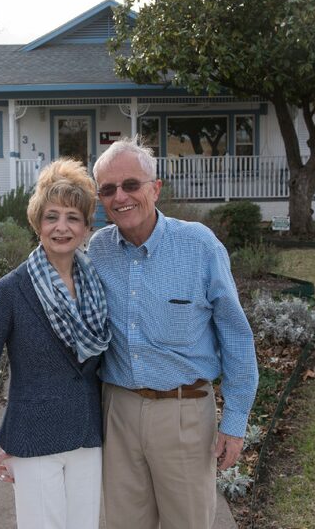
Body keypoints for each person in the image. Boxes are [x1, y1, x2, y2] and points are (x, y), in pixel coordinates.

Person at [88, 138, 258, 529]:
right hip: (118, 411)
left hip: (184, 412)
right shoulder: (97, 251)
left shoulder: (199, 245)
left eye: (131, 184)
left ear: (156, 188)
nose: (121, 197)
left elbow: (236, 336)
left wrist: (234, 423)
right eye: (108, 190)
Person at [0, 158, 110, 529]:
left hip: (87, 435)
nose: (62, 227)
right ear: (37, 223)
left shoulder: (97, 283)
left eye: (73, 217)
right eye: (52, 216)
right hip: (34, 436)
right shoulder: (12, 289)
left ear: (87, 225)